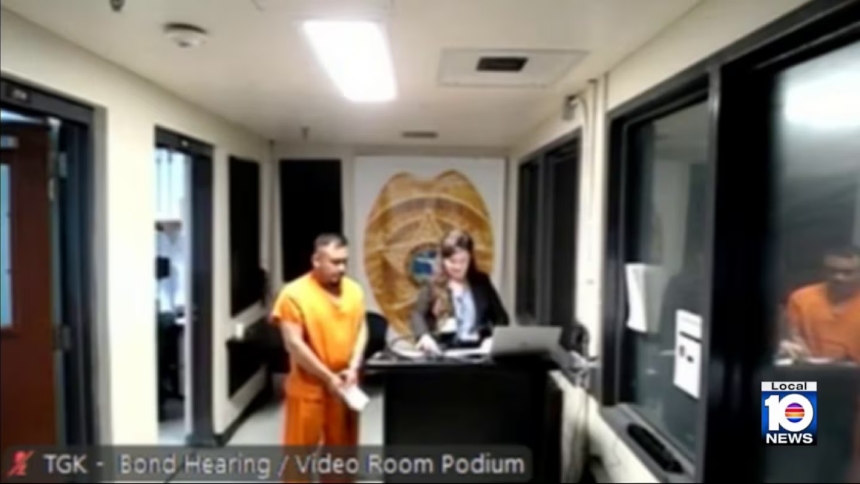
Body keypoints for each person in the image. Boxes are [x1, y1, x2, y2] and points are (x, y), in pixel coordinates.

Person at [270, 234, 367, 472]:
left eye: (344, 261)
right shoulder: (293, 294)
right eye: (335, 262)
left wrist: (354, 366)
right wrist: (327, 377)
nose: (342, 268)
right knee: (298, 460)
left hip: (344, 385)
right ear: (316, 260)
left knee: (341, 457)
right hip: (309, 388)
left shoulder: (354, 290)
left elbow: (361, 327)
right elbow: (294, 344)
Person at [410, 230, 509, 354]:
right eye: (452, 261)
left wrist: (492, 339)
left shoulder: (482, 282)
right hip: (443, 352)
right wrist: (424, 336)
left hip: (478, 352)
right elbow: (417, 314)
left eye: (463, 261)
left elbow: (501, 318)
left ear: (470, 258)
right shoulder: (432, 285)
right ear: (443, 260)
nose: (458, 266)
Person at [779, 246, 860, 363]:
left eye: (848, 272)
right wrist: (790, 346)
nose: (838, 277)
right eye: (832, 271)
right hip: (810, 368)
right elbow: (791, 337)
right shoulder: (801, 298)